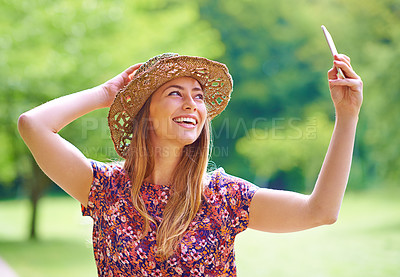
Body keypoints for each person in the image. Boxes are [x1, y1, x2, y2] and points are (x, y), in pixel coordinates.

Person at [18, 52, 363, 276]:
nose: (191, 104)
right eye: (174, 93)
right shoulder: (105, 189)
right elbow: (32, 125)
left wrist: (346, 116)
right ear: (147, 114)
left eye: (198, 96)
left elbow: (321, 211)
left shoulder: (224, 197)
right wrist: (108, 94)